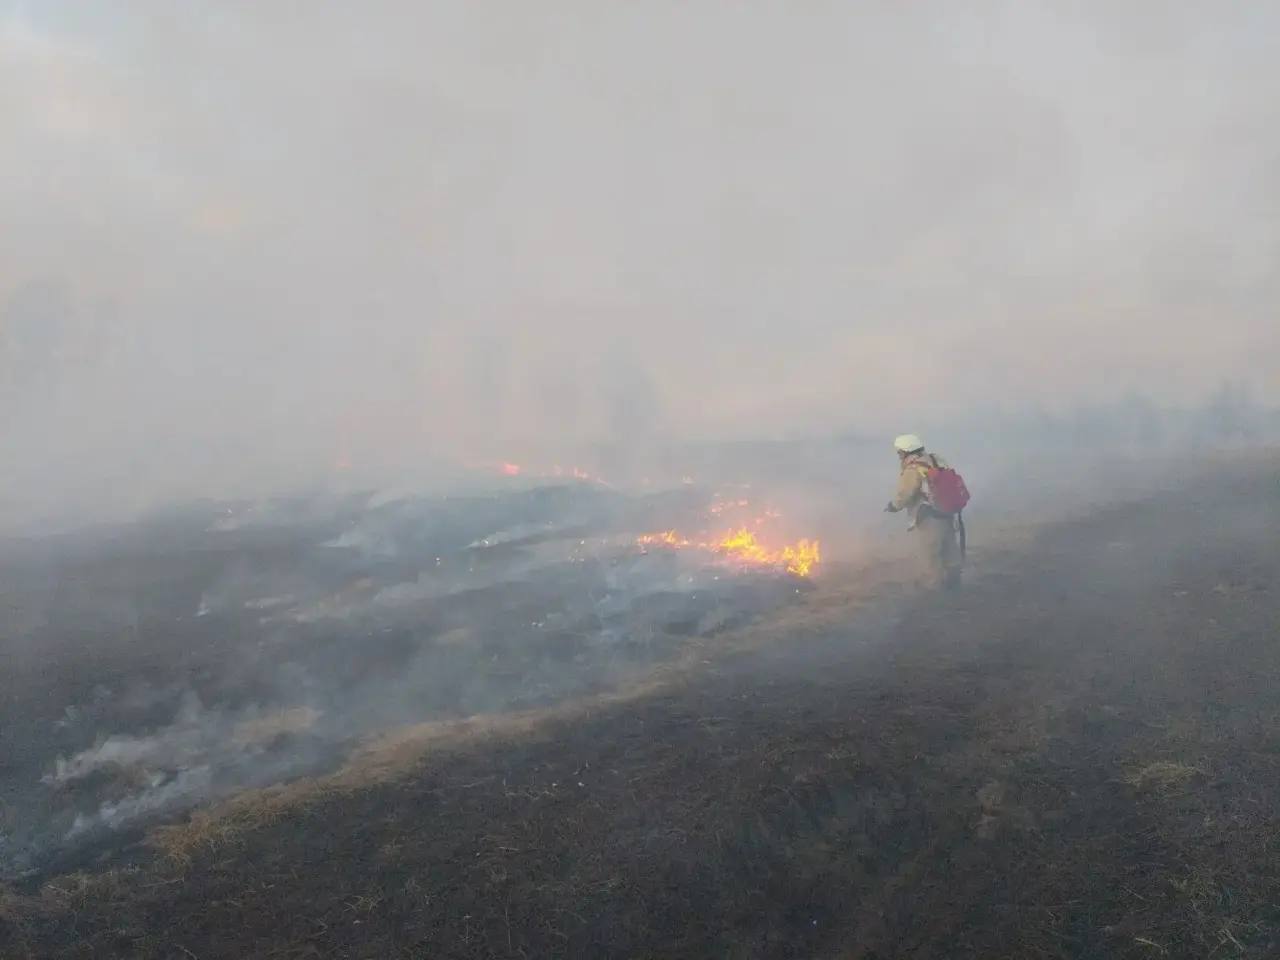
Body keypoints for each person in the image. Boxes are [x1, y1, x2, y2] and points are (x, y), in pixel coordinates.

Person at [884, 434, 963, 589]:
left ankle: (934, 589)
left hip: (929, 517)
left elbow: (906, 493)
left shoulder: (913, 468)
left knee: (930, 555)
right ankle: (954, 583)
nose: (899, 455)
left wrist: (893, 506)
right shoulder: (936, 459)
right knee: (950, 549)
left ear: (905, 451)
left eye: (899, 452)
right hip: (947, 513)